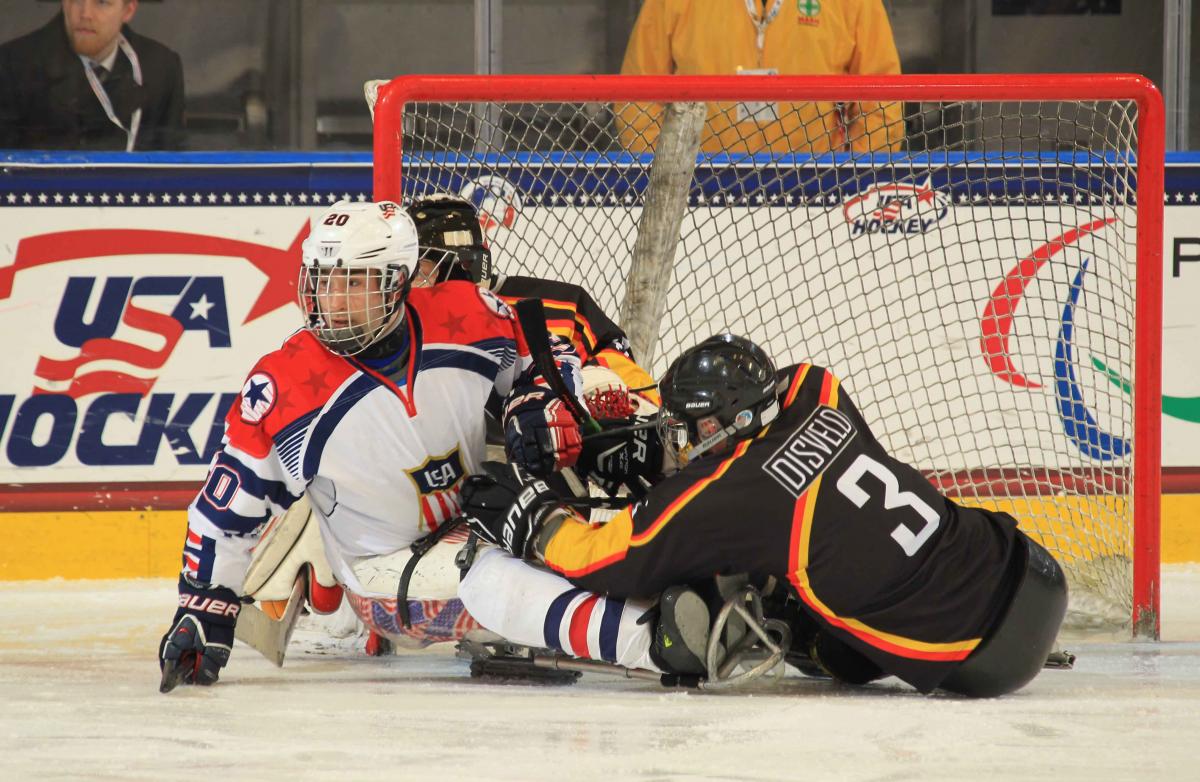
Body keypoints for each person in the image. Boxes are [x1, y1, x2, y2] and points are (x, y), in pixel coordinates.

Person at [457, 334, 1069, 697]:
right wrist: (667, 450)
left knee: (755, 587)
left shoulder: (729, 498)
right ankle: (824, 635)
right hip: (1023, 564)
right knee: (822, 558)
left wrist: (535, 521)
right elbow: (756, 456)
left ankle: (790, 622)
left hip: (976, 656)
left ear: (730, 421)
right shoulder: (813, 388)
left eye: (688, 426)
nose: (677, 436)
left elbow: (611, 562)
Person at [157, 200, 604, 690]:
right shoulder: (285, 383)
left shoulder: (464, 314)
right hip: (384, 573)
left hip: (477, 522)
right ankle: (644, 636)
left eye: (352, 282)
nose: (333, 300)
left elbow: (548, 354)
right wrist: (202, 608)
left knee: (578, 509)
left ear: (397, 282)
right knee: (550, 585)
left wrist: (537, 399)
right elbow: (224, 512)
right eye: (323, 281)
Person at [615, 0, 904, 155]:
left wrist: (853, 176)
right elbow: (637, 93)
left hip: (814, 194)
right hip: (702, 193)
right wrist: (665, 174)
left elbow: (883, 96)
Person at [0, 0, 185, 151]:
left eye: (102, 2)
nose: (85, 14)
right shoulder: (13, 66)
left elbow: (173, 163)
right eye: (76, 0)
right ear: (64, 4)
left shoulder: (161, 68)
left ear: (128, 11)